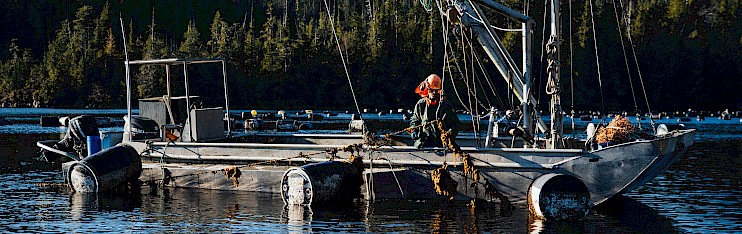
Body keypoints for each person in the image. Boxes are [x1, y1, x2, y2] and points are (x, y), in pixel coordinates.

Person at [409, 74, 459, 148]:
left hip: (440, 144)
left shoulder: (445, 105)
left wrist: (449, 134)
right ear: (427, 89)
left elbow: (455, 125)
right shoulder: (421, 104)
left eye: (436, 90)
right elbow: (415, 120)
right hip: (423, 142)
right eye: (432, 90)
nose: (434, 93)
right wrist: (413, 131)